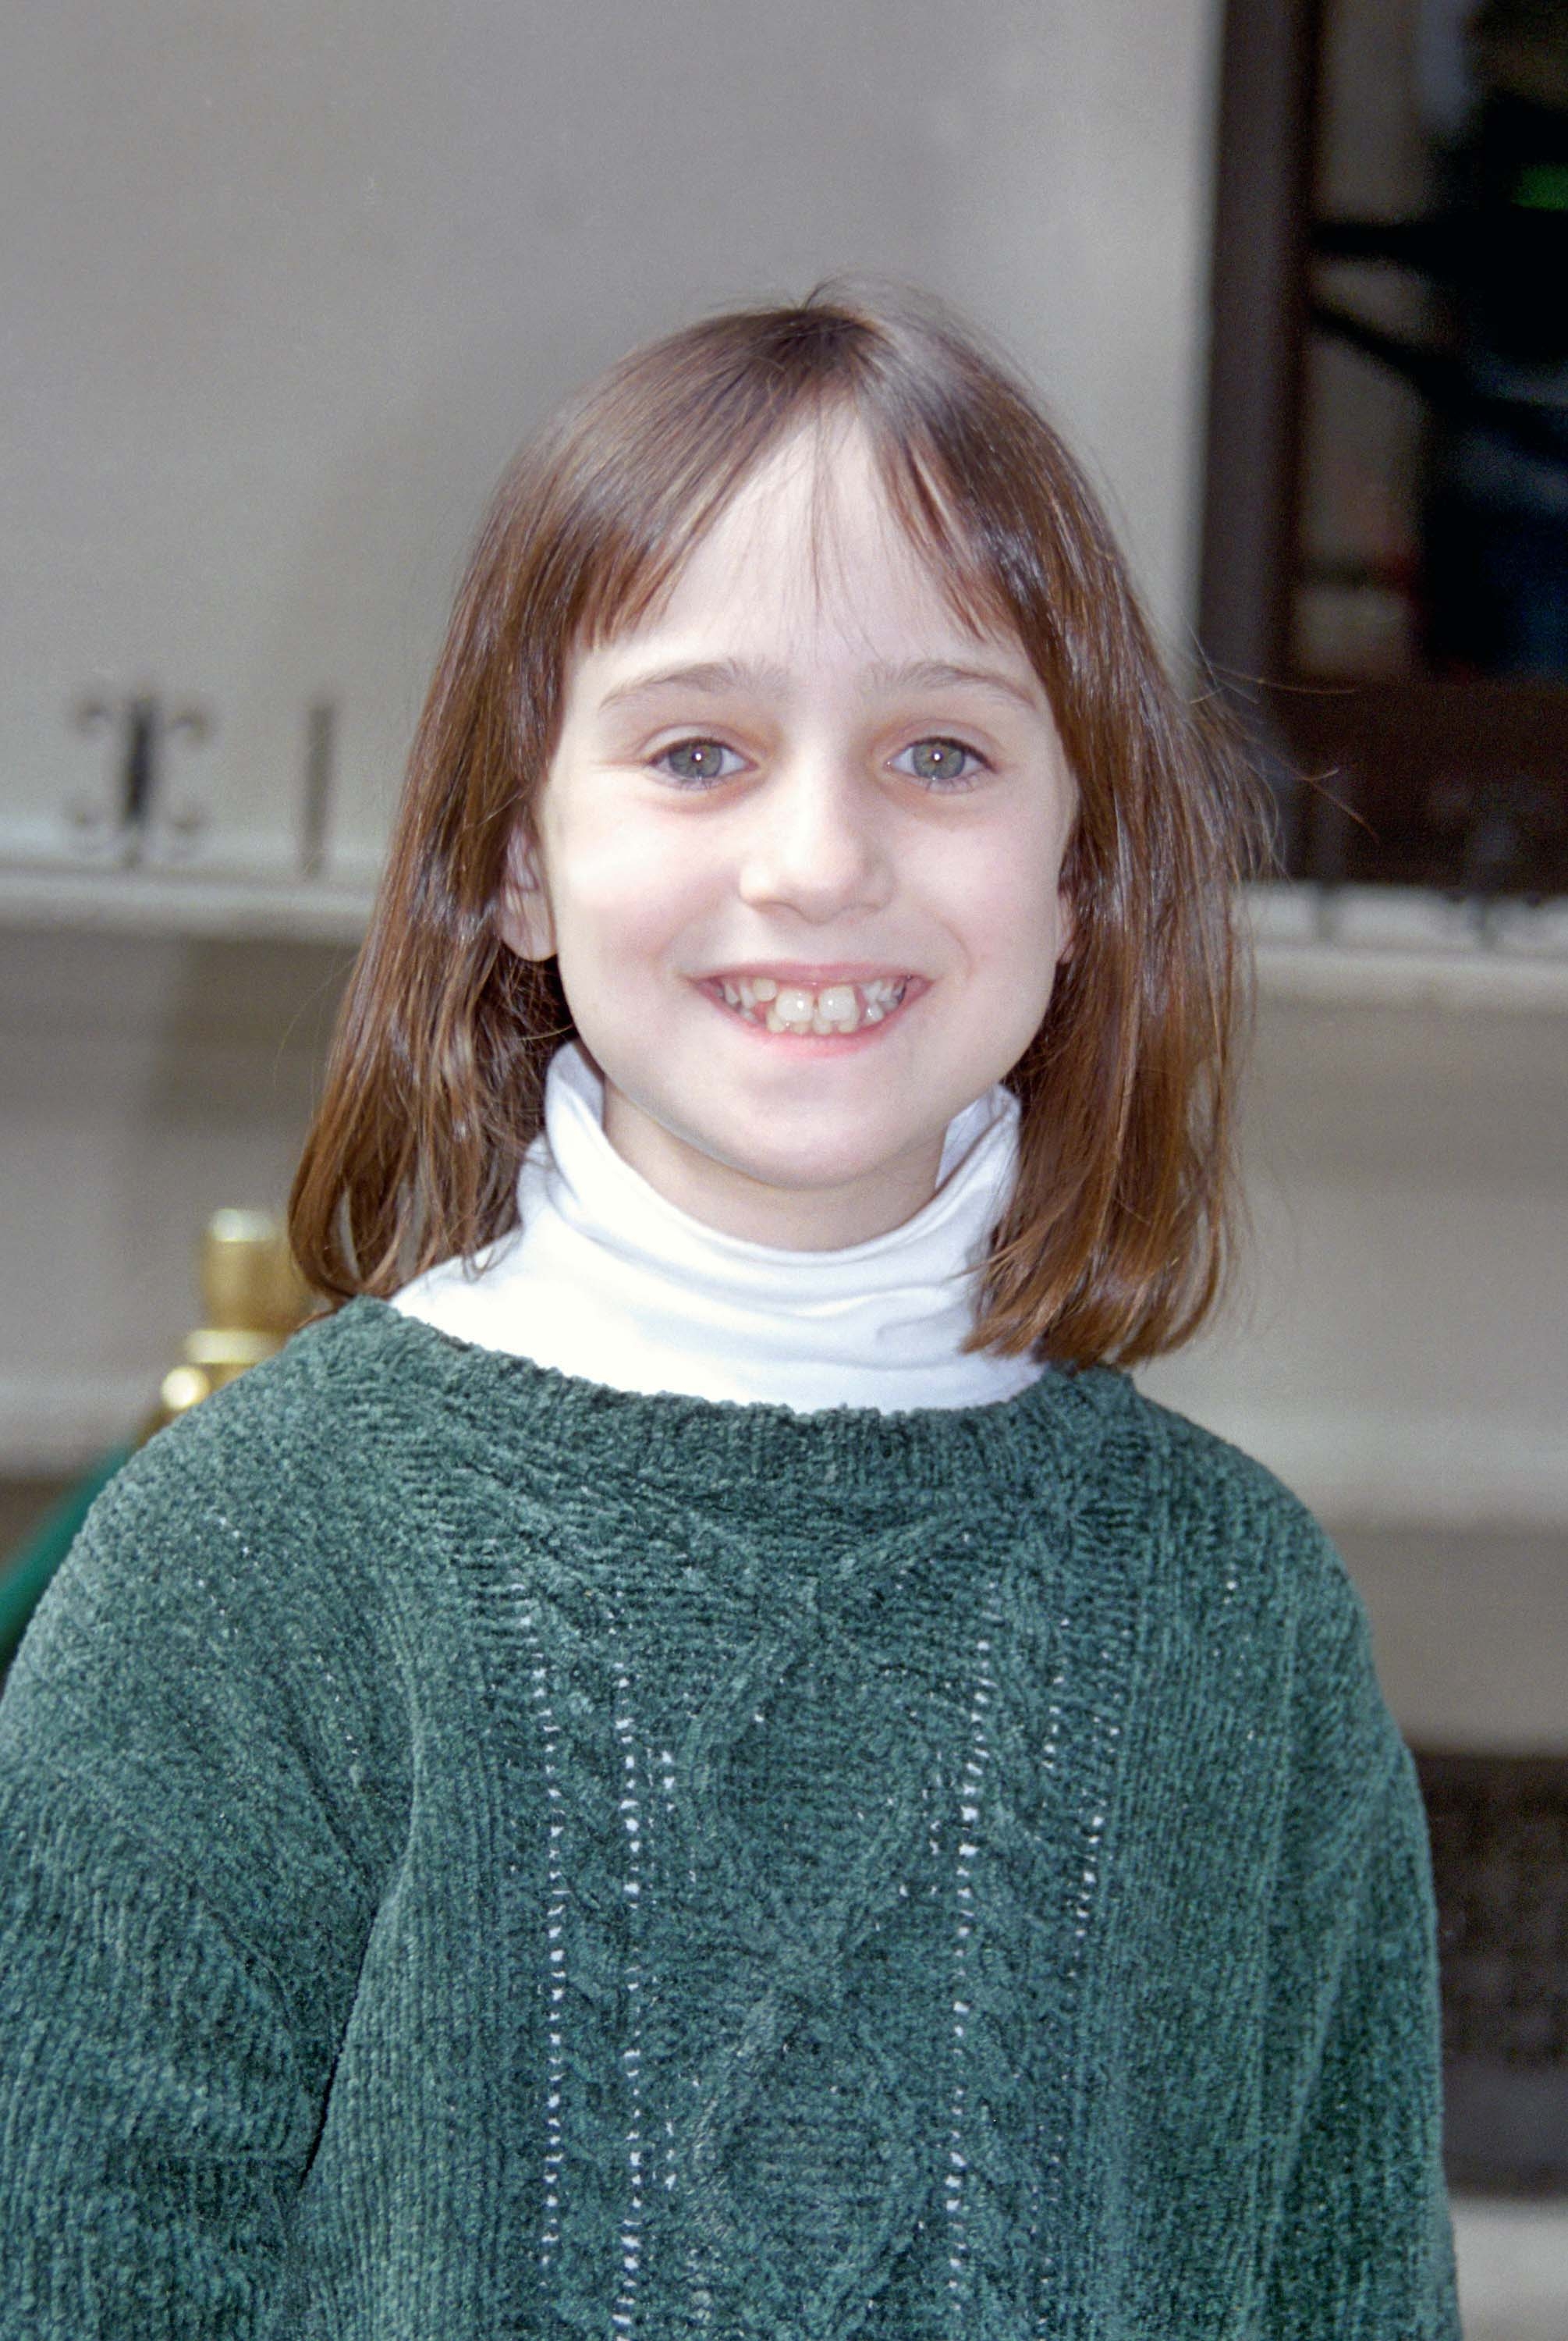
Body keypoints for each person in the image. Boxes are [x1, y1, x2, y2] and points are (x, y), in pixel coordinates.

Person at [0, 284, 1459, 2337]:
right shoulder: (245, 1574)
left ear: (1080, 874)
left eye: (937, 752)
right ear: (515, 858)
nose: (814, 858)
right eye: (698, 751)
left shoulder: (1238, 1617)